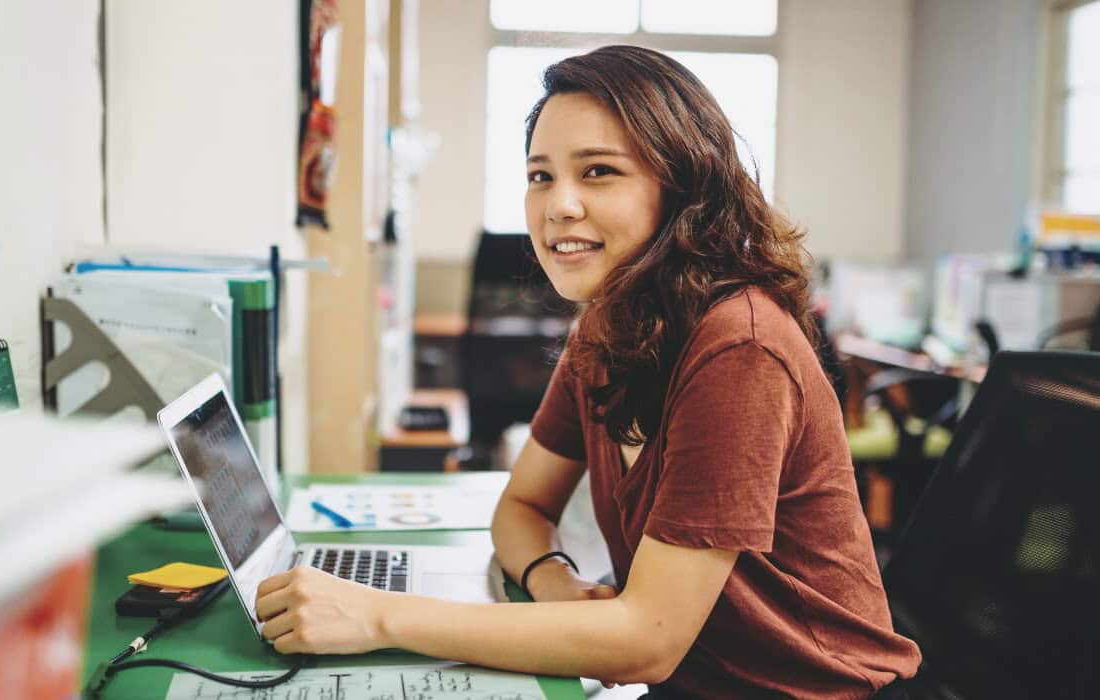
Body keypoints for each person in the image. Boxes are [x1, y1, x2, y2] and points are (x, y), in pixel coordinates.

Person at [255, 45, 921, 699]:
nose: (559, 205)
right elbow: (522, 507)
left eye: (598, 171)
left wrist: (377, 617)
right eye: (540, 176)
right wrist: (555, 584)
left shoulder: (739, 348)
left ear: (683, 188)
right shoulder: (607, 328)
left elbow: (646, 643)